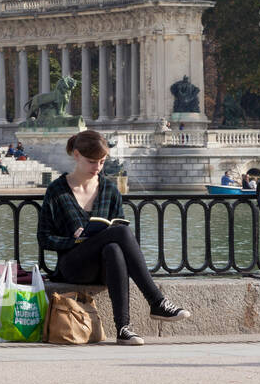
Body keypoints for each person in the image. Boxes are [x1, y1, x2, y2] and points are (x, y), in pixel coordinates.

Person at [38, 129, 191, 345]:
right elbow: (44, 238)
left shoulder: (110, 189)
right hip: (72, 266)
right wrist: (75, 240)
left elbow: (116, 227)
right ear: (77, 155)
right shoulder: (57, 191)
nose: (98, 168)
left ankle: (123, 328)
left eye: (101, 162)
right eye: (92, 162)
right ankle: (156, 301)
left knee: (114, 247)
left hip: (104, 267)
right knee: (120, 233)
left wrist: (97, 235)